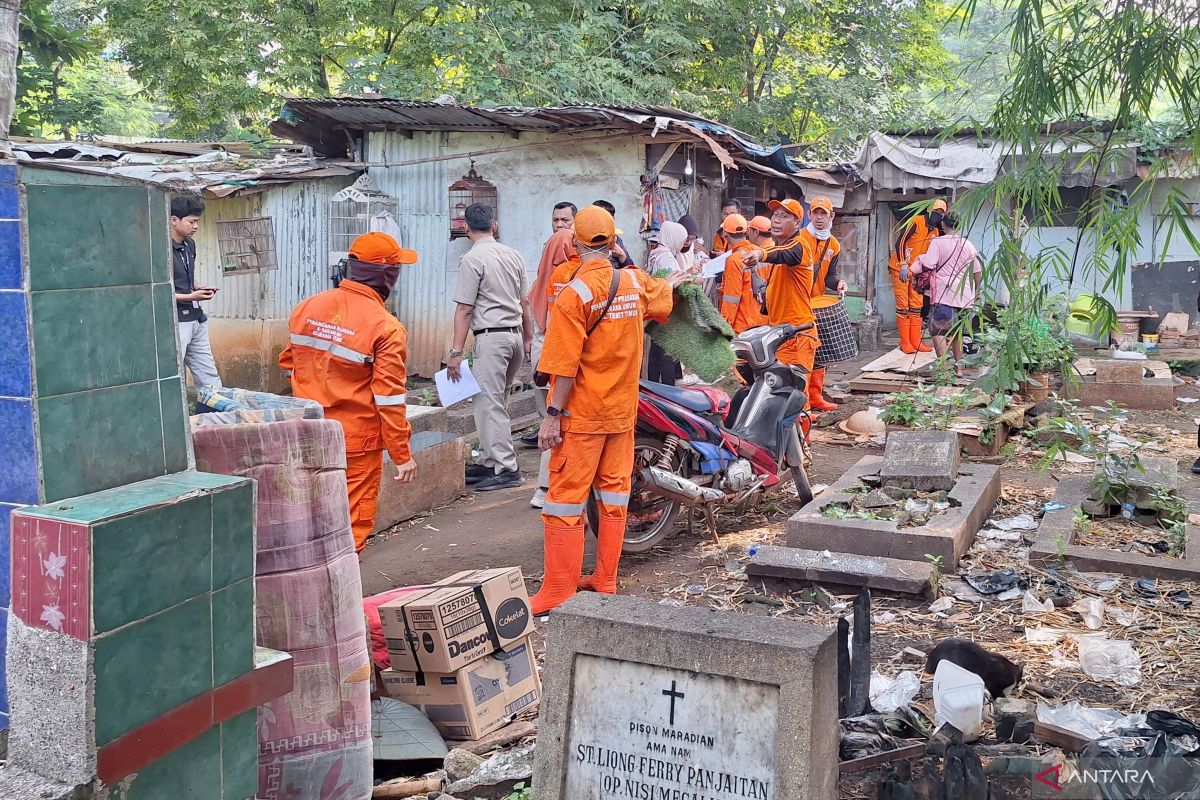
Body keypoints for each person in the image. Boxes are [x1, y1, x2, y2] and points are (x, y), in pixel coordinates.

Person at [529, 205, 674, 614]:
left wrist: (552, 415)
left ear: (574, 244)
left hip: (583, 414)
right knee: (613, 494)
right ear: (613, 242)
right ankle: (606, 578)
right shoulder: (632, 281)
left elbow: (562, 364)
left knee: (564, 500)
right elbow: (665, 301)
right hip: (623, 411)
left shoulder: (575, 293)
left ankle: (558, 589)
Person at [280, 232, 419, 553]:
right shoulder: (386, 328)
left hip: (309, 432)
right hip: (356, 443)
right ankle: (337, 597)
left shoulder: (308, 307)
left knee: (311, 519)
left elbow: (288, 363)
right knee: (349, 529)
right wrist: (402, 455)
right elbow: (389, 399)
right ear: (388, 275)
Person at [449, 203, 534, 492]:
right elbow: (525, 302)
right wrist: (528, 338)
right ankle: (488, 460)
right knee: (497, 402)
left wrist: (455, 352)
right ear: (494, 226)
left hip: (492, 338)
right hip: (513, 338)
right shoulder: (513, 255)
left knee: (489, 403)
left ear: (465, 227)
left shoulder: (472, 259)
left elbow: (464, 308)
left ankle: (506, 468)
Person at [741, 198, 821, 400]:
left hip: (797, 334)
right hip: (779, 334)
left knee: (794, 399)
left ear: (797, 223)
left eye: (785, 216)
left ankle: (801, 432)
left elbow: (784, 253)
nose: (776, 220)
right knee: (777, 397)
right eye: (775, 215)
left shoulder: (799, 246)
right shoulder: (780, 249)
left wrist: (760, 253)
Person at [526, 228, 579, 509]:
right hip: (557, 361)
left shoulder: (545, 278)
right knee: (555, 424)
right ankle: (545, 488)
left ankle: (546, 488)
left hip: (543, 360)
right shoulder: (568, 277)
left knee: (550, 422)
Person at [911, 213, 982, 376]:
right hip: (964, 296)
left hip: (944, 294)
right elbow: (977, 271)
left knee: (938, 332)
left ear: (943, 225)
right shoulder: (968, 244)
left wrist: (917, 263)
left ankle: (943, 370)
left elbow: (929, 263)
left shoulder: (937, 243)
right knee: (956, 332)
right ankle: (959, 369)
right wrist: (975, 292)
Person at [170, 196, 223, 391]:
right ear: (174, 220)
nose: (196, 226)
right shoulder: (161, 250)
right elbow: (160, 292)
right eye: (192, 222)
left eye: (197, 222)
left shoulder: (189, 244)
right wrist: (191, 297)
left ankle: (216, 416)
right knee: (175, 373)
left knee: (209, 374)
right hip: (176, 321)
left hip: (197, 318)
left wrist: (199, 287)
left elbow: (188, 277)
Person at [800, 196, 847, 412]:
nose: (819, 218)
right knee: (802, 354)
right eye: (815, 213)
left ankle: (816, 396)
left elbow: (830, 276)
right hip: (797, 304)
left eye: (823, 213)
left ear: (831, 216)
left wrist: (839, 284)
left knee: (820, 352)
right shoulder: (799, 238)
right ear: (809, 215)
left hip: (818, 305)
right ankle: (803, 403)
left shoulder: (833, 245)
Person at [889, 198, 948, 354]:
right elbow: (900, 242)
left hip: (917, 273)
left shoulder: (935, 232)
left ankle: (916, 341)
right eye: (936, 211)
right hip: (900, 268)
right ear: (929, 210)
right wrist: (902, 263)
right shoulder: (916, 221)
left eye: (942, 213)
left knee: (916, 307)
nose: (938, 215)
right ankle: (905, 342)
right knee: (903, 307)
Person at [644, 220, 692, 385]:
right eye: (681, 241)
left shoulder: (657, 251)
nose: (682, 246)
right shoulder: (667, 257)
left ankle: (653, 385)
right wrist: (690, 281)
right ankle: (668, 388)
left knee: (657, 350)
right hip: (668, 306)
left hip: (657, 305)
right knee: (668, 351)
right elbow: (673, 283)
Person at [717, 213, 768, 333]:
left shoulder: (734, 260)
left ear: (725, 233)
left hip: (743, 325)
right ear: (746, 232)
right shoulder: (760, 253)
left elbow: (731, 298)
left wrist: (725, 329)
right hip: (763, 321)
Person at [592, 199, 634, 268]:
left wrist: (622, 256)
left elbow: (631, 269)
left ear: (612, 219)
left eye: (604, 217)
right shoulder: (583, 239)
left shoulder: (616, 240)